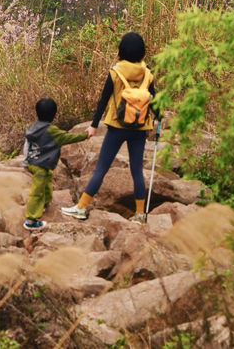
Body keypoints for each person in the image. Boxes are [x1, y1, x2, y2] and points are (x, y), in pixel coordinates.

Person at [61, 31, 155, 224]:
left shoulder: (115, 72)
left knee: (101, 169)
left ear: (122, 50)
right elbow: (155, 102)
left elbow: (103, 101)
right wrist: (159, 120)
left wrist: (93, 126)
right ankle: (139, 214)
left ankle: (81, 207)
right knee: (137, 171)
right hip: (139, 129)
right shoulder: (148, 74)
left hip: (116, 127)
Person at [23, 97, 88, 230]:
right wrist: (86, 134)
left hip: (34, 162)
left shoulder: (33, 126)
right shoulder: (52, 131)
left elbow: (27, 144)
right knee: (37, 191)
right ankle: (31, 220)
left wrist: (25, 161)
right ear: (55, 114)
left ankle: (45, 202)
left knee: (47, 181)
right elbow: (68, 137)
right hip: (41, 165)